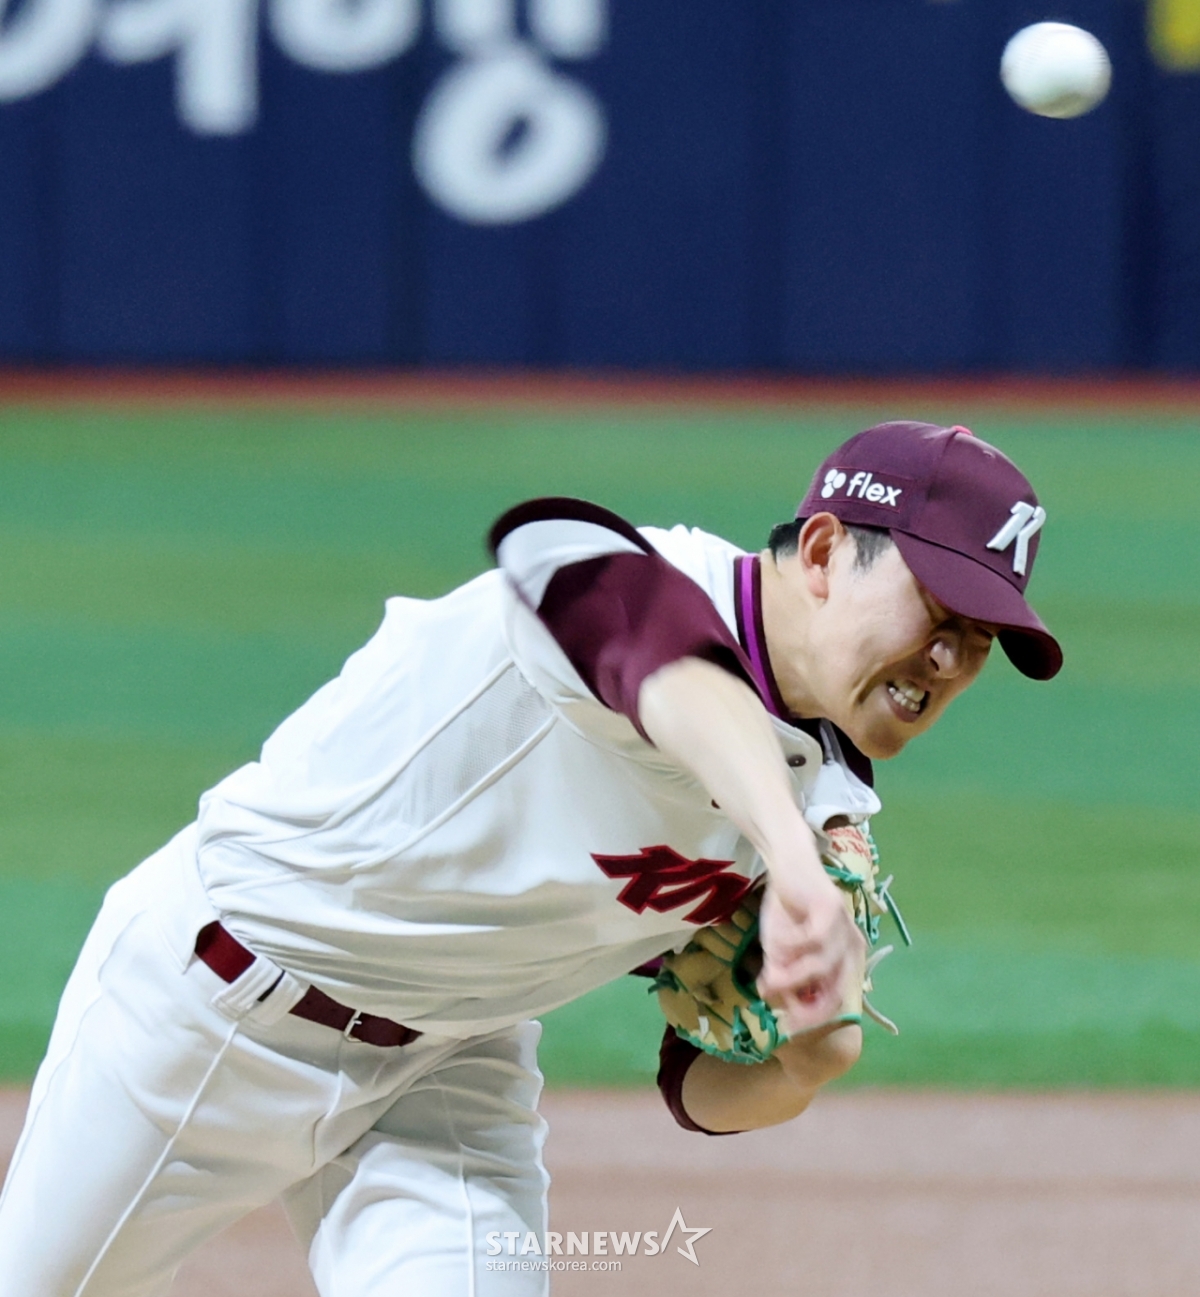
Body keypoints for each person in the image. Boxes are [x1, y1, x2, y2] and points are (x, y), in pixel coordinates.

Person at [0, 420, 1060, 1295]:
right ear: (822, 552)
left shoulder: (828, 802)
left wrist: (802, 1063)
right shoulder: (610, 572)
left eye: (982, 638)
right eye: (938, 605)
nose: (949, 657)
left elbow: (689, 1081)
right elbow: (661, 665)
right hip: (209, 1008)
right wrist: (786, 855)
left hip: (446, 1069)